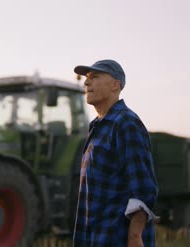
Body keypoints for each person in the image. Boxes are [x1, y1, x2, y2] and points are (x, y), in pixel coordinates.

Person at [72, 59, 158, 247]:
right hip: (96, 237)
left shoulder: (126, 123)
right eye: (87, 78)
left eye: (94, 77)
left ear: (115, 85)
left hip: (116, 238)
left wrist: (135, 236)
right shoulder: (97, 127)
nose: (87, 83)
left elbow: (144, 188)